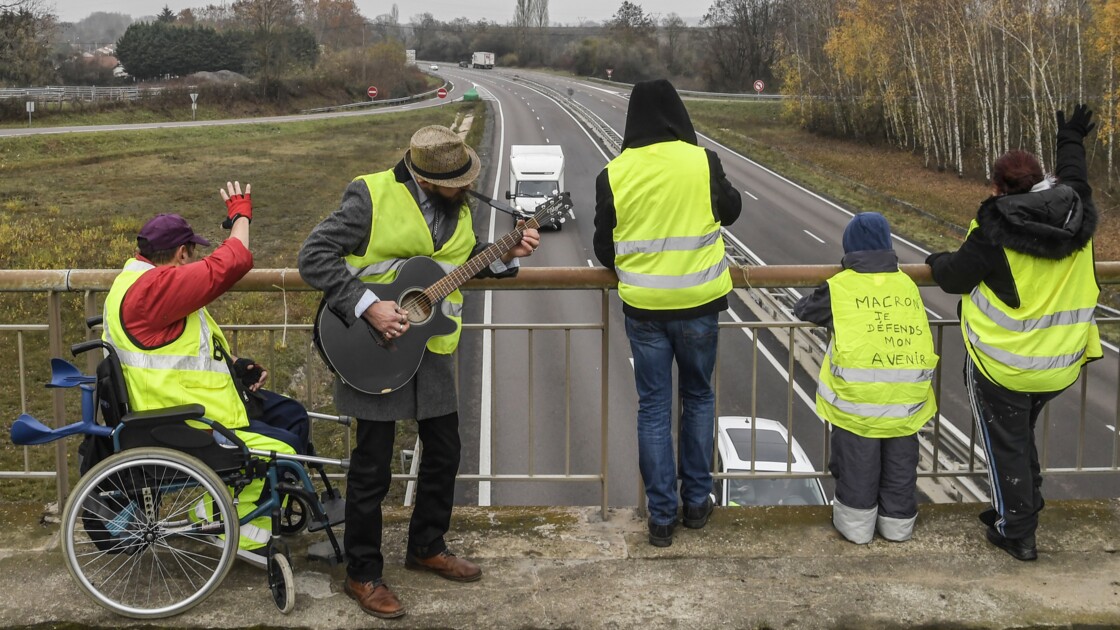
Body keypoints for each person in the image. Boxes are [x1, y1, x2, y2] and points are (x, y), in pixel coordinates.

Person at [298, 125, 540, 619]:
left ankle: (427, 545)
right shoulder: (371, 196)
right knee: (372, 467)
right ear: (427, 179)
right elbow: (313, 255)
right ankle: (362, 574)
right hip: (371, 348)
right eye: (458, 182)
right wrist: (369, 307)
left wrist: (502, 256)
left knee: (445, 450)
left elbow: (454, 264)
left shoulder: (459, 206)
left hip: (429, 348)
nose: (467, 188)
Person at [926, 105, 1101, 561]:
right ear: (1042, 181)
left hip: (1003, 365)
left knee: (1006, 446)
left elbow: (955, 278)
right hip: (1063, 361)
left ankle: (1017, 531)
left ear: (999, 189)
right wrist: (1071, 137)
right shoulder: (1076, 211)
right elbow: (1075, 175)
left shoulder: (994, 228)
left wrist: (934, 260)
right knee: (1019, 436)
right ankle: (1022, 504)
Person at [101, 183, 311, 560]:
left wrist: (236, 368)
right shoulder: (155, 289)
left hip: (187, 406)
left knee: (292, 415)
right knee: (287, 449)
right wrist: (240, 217)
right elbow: (232, 261)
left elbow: (177, 349)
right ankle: (239, 529)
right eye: (190, 253)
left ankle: (240, 507)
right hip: (190, 421)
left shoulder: (134, 283)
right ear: (182, 253)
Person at [593, 79, 742, 548]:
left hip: (645, 310)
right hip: (699, 305)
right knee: (697, 399)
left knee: (653, 409)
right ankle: (697, 504)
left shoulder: (613, 173)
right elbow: (731, 211)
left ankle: (661, 518)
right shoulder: (702, 161)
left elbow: (604, 248)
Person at [794, 212, 938, 544]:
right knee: (900, 466)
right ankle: (897, 526)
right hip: (905, 404)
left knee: (858, 466)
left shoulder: (840, 286)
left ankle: (857, 529)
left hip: (858, 405)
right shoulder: (907, 284)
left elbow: (805, 310)